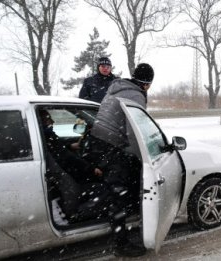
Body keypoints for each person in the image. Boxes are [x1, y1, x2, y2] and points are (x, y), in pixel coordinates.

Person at [87, 63, 154, 257]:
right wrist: (145, 157)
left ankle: (115, 219)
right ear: (147, 84)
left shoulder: (116, 89)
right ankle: (121, 243)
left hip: (97, 142)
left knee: (114, 187)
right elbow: (134, 131)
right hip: (112, 146)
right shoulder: (136, 95)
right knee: (118, 193)